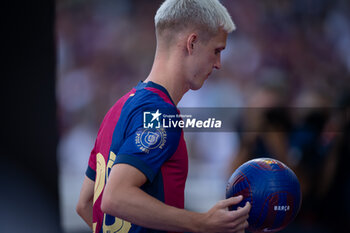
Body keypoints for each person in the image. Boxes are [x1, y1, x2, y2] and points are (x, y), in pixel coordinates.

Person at [76, 0, 251, 232]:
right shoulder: (161, 114)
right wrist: (201, 223)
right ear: (192, 43)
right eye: (216, 51)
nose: (218, 64)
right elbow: (115, 197)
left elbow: (86, 204)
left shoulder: (118, 108)